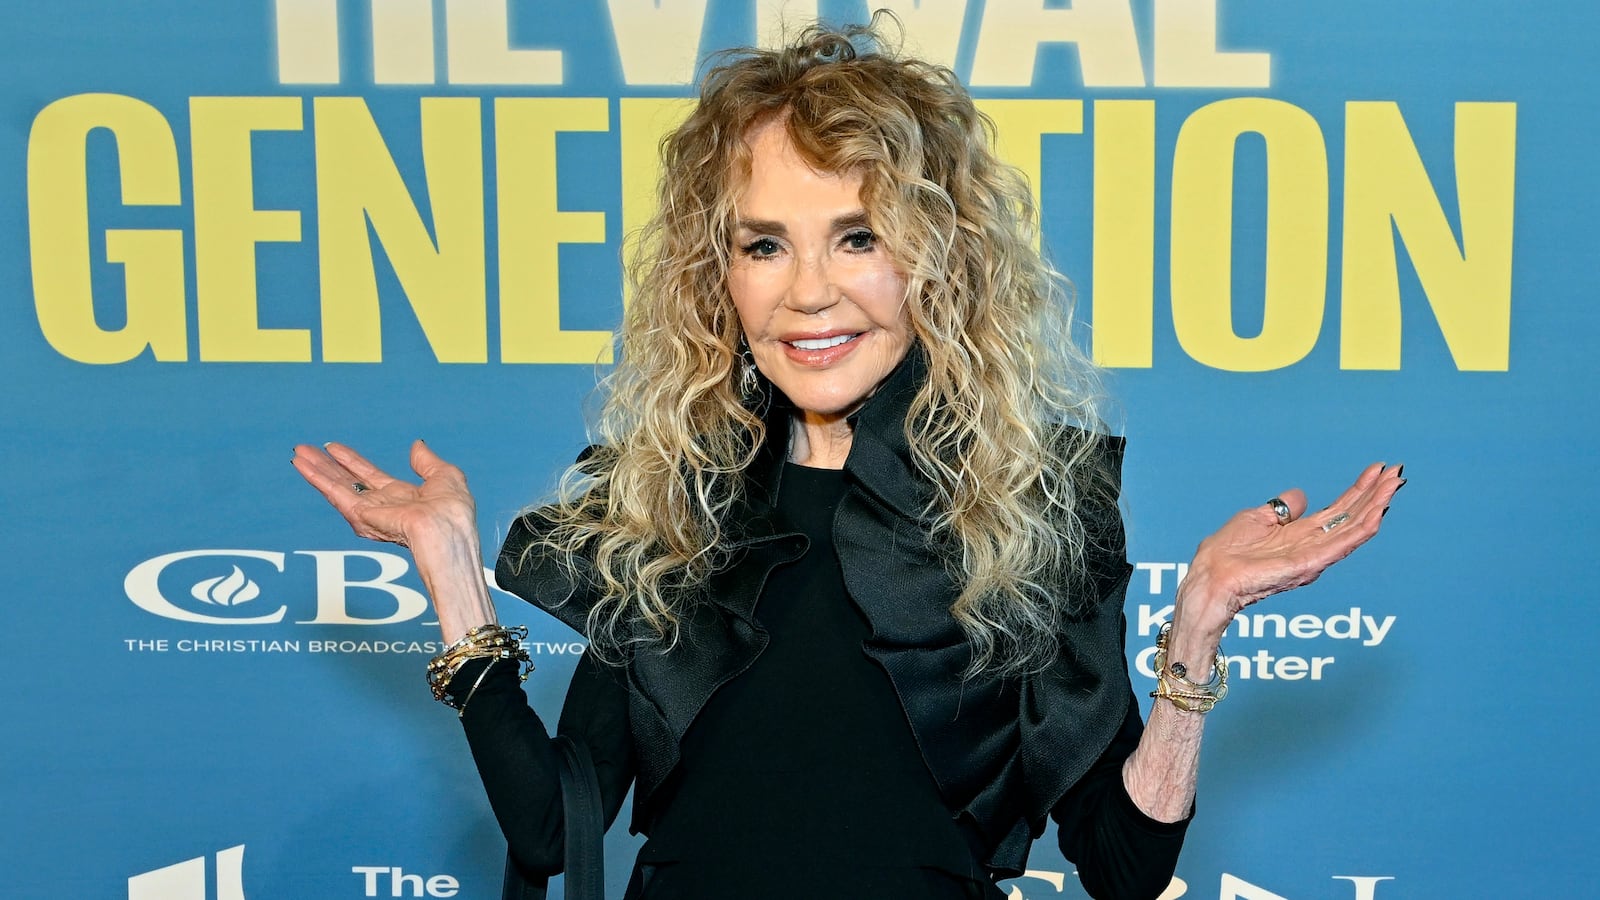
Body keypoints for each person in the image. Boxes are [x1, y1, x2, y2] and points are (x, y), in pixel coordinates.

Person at [292, 20, 1404, 900]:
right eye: (763, 244)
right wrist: (448, 569)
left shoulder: (1030, 506)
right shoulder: (667, 508)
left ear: (938, 258)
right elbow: (548, 830)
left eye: (858, 237)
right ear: (713, 275)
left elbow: (1122, 867)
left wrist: (1196, 627)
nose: (808, 291)